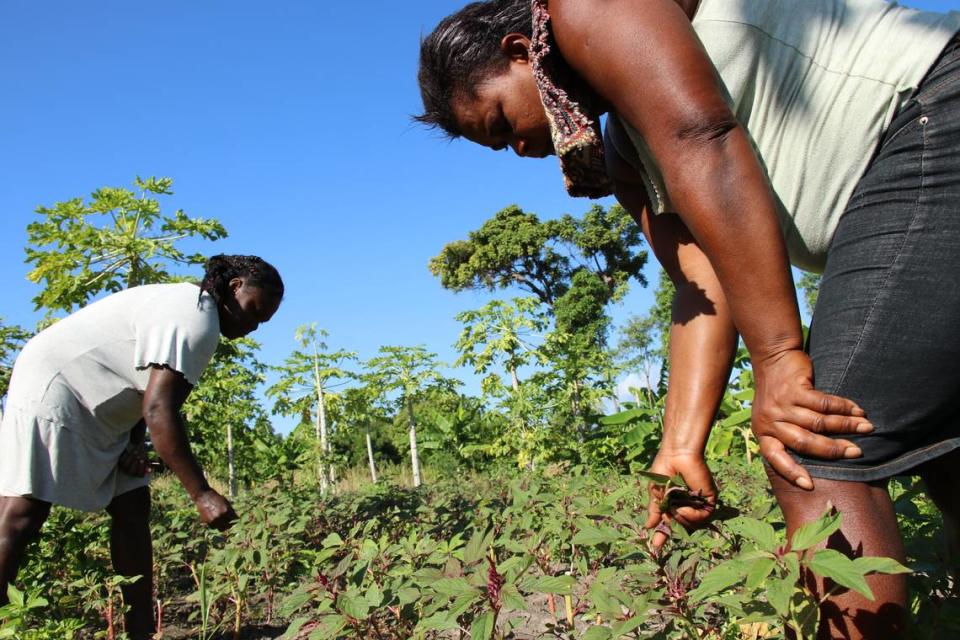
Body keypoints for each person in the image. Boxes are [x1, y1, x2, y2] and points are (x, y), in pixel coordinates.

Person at [417, 0, 960, 636]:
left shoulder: (586, 7)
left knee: (809, 441)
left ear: (519, 51)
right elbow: (703, 285)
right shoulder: (622, 147)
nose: (516, 147)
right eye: (496, 145)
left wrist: (781, 360)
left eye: (501, 120)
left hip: (931, 113)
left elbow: (702, 137)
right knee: (938, 444)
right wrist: (679, 444)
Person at [0, 254, 283, 639]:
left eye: (262, 322)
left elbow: (140, 382)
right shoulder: (196, 317)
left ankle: (140, 631)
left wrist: (136, 443)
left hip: (107, 404)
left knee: (133, 506)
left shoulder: (198, 312)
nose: (252, 326)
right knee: (23, 511)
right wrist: (201, 494)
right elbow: (157, 407)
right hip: (58, 384)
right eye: (254, 311)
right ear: (235, 287)